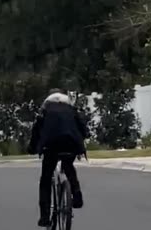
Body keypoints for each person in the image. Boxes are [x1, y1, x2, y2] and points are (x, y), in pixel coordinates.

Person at [28, 89, 89, 227]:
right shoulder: (71, 109)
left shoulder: (45, 110)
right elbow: (84, 130)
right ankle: (77, 194)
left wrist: (32, 148)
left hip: (51, 147)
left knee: (45, 178)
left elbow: (36, 131)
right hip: (71, 144)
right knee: (68, 165)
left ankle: (44, 217)